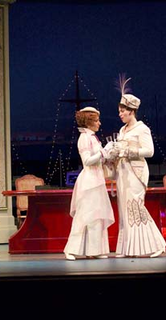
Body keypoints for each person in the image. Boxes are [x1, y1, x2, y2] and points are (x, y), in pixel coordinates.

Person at [111, 76, 166, 258]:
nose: (120, 114)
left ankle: (157, 244)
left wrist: (128, 151)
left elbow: (149, 151)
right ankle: (128, 248)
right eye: (119, 111)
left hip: (136, 173)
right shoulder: (122, 131)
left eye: (122, 111)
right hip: (123, 173)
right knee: (124, 209)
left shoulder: (142, 129)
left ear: (132, 111)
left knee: (136, 207)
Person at [63, 106, 116, 260]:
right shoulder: (84, 138)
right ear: (89, 122)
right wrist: (103, 152)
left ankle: (94, 250)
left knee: (96, 216)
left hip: (97, 179)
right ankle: (71, 249)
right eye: (97, 120)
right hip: (89, 181)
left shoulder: (93, 137)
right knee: (84, 216)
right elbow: (87, 161)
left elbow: (99, 159)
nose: (99, 123)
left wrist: (108, 154)